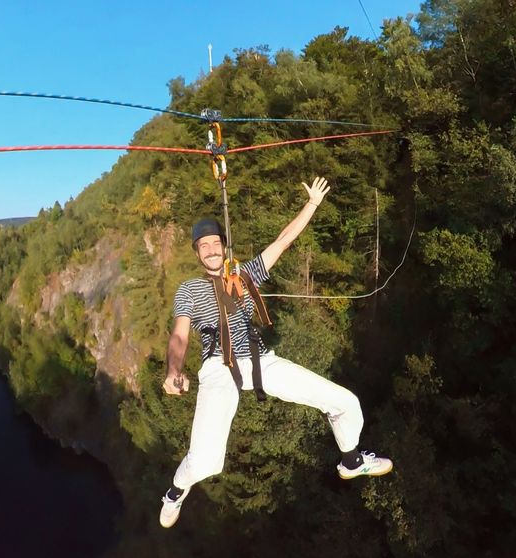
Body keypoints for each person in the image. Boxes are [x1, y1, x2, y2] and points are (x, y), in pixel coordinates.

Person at [158, 177, 393, 530]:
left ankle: (351, 459)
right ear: (196, 252)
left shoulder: (244, 274)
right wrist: (173, 369)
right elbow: (179, 335)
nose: (210, 249)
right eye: (203, 245)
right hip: (218, 369)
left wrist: (312, 204)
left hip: (259, 360)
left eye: (215, 243)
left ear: (223, 247)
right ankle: (175, 493)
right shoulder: (189, 290)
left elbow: (283, 241)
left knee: (346, 402)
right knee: (207, 463)